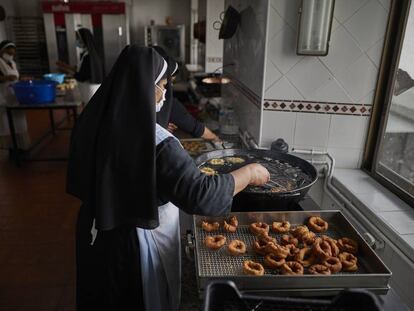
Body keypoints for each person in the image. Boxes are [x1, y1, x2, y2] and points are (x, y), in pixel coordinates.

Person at [66, 45, 269, 310]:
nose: (164, 94)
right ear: (143, 86)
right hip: (135, 245)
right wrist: (249, 172)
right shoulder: (157, 142)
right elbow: (201, 195)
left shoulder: (96, 120)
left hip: (98, 231)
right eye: (162, 85)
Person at [153, 46, 220, 142]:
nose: (166, 90)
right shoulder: (166, 102)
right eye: (165, 84)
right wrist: (215, 138)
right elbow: (193, 126)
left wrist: (160, 128)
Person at [57, 28, 104, 104]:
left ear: (84, 39)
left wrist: (67, 71)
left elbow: (82, 77)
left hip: (90, 90)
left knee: (91, 110)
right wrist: (66, 66)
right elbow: (80, 68)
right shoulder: (88, 54)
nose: (77, 41)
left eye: (78, 38)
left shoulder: (89, 57)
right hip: (89, 89)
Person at [0, 40, 30, 149]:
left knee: (19, 122)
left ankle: (22, 146)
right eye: (9, 53)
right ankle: (11, 149)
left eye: (12, 53)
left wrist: (23, 78)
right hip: (3, 96)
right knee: (7, 123)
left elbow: (16, 77)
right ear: (2, 51)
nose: (11, 55)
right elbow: (6, 78)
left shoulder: (12, 63)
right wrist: (5, 78)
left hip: (15, 95)